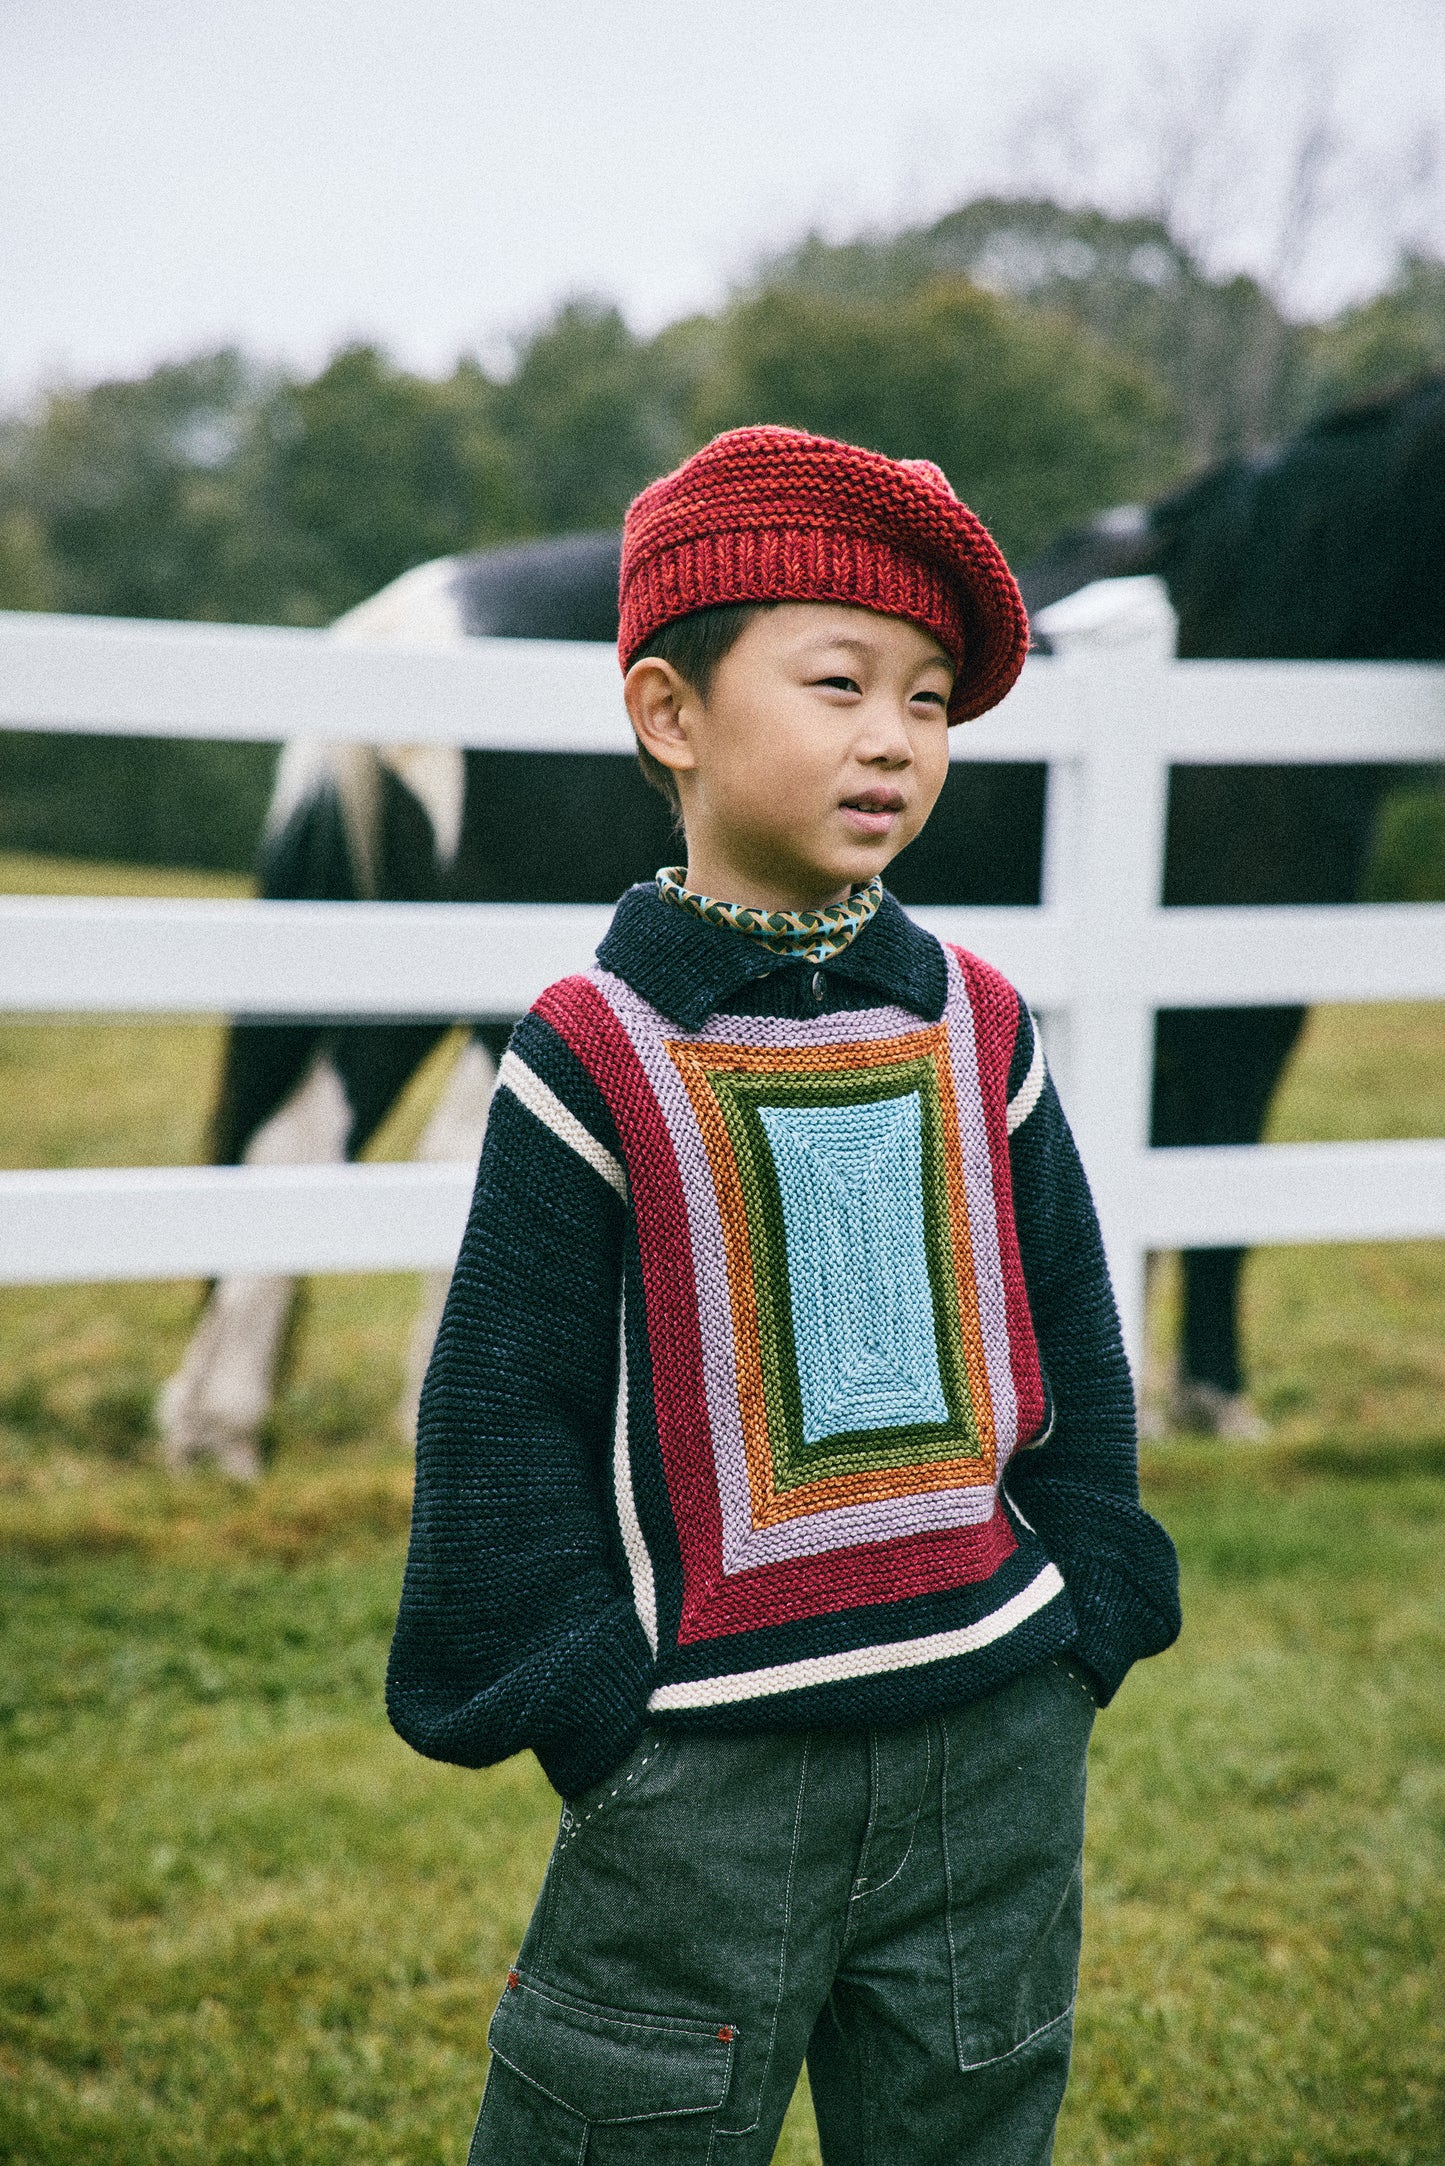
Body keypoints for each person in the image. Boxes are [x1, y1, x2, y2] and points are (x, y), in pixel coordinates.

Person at [386, 425, 1181, 2165]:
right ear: (670, 714)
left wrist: (1085, 1604)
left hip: (994, 1747)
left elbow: (1068, 1339)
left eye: (926, 699)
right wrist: (586, 1698)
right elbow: (500, 1405)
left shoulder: (974, 1026)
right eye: (837, 682)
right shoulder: (595, 1053)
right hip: (701, 1782)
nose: (891, 735)